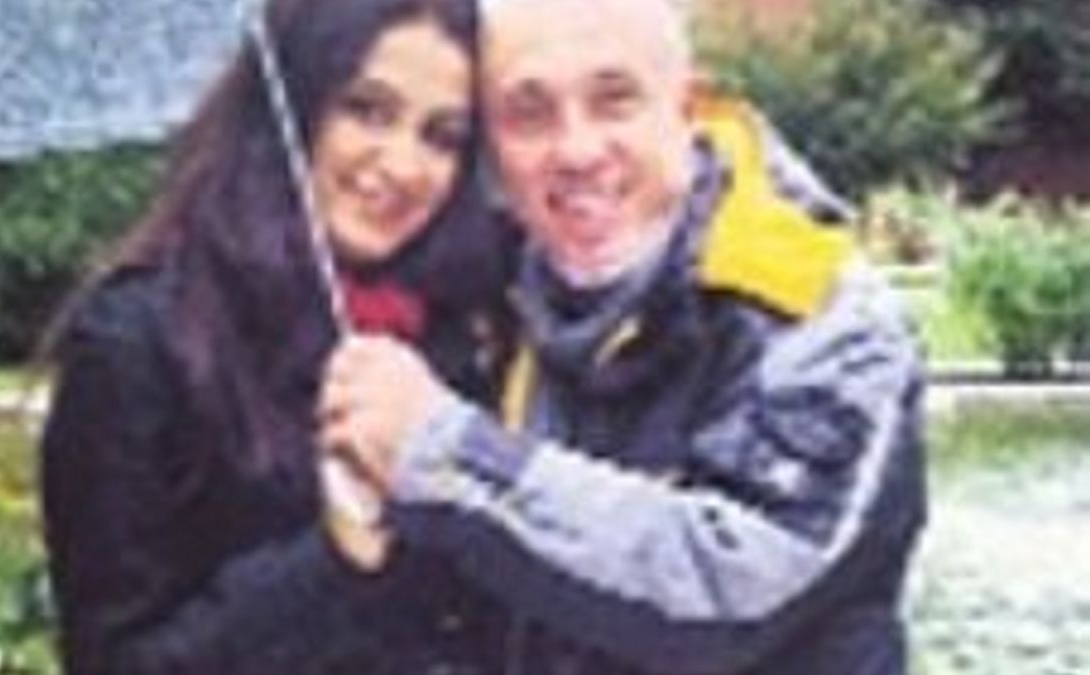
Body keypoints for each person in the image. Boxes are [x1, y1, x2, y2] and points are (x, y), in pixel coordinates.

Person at [320, 0, 927, 673]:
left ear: (686, 107)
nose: (576, 150)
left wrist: (446, 450)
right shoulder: (494, 295)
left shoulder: (825, 312)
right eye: (529, 114)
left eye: (614, 102)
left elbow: (737, 592)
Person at [38, 0, 514, 672]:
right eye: (368, 110)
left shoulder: (455, 332)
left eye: (442, 137)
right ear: (290, 107)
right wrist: (329, 557)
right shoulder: (137, 340)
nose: (404, 165)